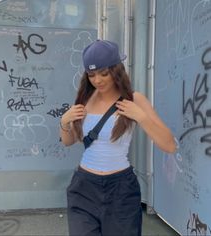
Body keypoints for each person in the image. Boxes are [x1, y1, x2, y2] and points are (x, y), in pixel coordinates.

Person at [60, 39, 176, 236]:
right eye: (91, 75)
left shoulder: (134, 99)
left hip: (121, 189)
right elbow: (68, 141)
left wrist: (140, 116)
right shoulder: (84, 99)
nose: (97, 80)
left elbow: (169, 145)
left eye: (104, 73)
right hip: (84, 187)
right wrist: (64, 122)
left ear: (117, 70)